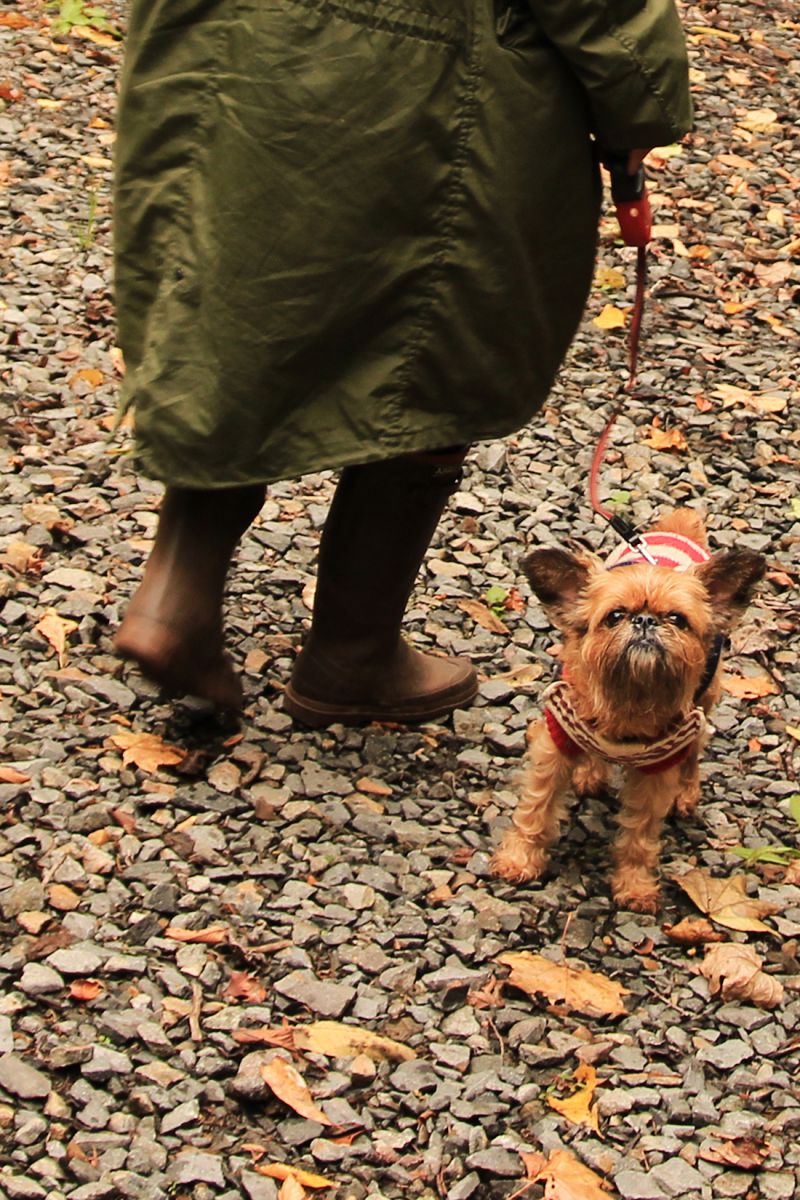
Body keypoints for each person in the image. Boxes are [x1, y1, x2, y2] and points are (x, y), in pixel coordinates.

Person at [112, 0, 692, 724]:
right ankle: (353, 657)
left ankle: (175, 598)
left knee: (245, 302)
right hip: (424, 71)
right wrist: (645, 100)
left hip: (235, 46)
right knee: (436, 335)